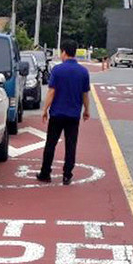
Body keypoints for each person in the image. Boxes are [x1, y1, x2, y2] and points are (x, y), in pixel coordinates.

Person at [38, 38, 90, 185]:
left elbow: (51, 92)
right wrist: (86, 110)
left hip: (57, 114)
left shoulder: (58, 70)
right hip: (73, 115)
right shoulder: (83, 72)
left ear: (64, 52)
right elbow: (85, 94)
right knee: (71, 145)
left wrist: (45, 109)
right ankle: (67, 175)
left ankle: (45, 173)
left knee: (51, 144)